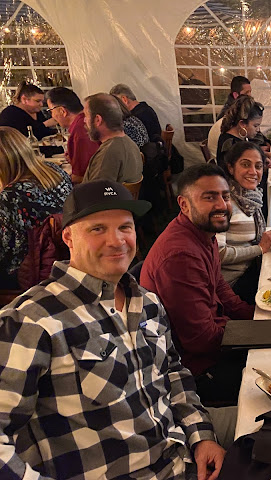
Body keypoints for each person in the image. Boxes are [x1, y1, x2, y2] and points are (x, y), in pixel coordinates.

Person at [0, 179, 227, 479]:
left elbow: (172, 372)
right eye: (98, 229)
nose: (116, 240)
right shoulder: (32, 320)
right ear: (68, 237)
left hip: (180, 459)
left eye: (124, 227)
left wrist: (202, 436)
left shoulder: (146, 302)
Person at [140, 164, 255, 402]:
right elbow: (200, 340)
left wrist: (255, 317)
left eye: (225, 196)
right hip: (196, 371)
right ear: (184, 204)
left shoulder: (203, 232)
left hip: (216, 339)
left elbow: (219, 286)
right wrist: (256, 333)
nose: (222, 205)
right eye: (209, 197)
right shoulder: (180, 256)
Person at [0, 126, 72, 289]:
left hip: (30, 270)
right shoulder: (55, 172)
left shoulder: (11, 196)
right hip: (65, 258)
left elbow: (6, 253)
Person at [217, 141, 271, 302]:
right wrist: (260, 248)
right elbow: (218, 254)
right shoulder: (224, 204)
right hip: (233, 284)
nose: (253, 171)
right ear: (231, 168)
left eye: (258, 166)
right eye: (245, 164)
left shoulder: (251, 197)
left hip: (253, 267)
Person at [82, 93, 143, 184]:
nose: (84, 120)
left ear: (98, 120)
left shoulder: (108, 153)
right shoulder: (129, 143)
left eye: (86, 116)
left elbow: (98, 192)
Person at [46, 87, 99, 183]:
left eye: (51, 111)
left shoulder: (80, 131)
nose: (52, 116)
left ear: (62, 111)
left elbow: (80, 177)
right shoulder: (85, 121)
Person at [208, 76, 251, 160]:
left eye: (250, 92)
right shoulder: (229, 116)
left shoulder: (237, 112)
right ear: (235, 95)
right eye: (246, 93)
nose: (250, 96)